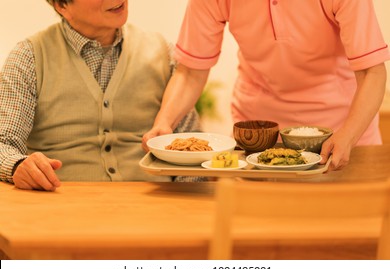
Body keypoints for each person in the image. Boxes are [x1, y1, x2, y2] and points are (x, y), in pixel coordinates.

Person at [143, 0, 390, 171]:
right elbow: (190, 72)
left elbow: (371, 72)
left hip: (342, 135)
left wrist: (348, 135)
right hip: (257, 140)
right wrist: (164, 123)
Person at [0, 0, 202, 191]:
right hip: (62, 208)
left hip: (156, 209)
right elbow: (4, 143)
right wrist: (18, 165)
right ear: (62, 5)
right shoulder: (30, 56)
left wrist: (187, 202)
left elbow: (192, 148)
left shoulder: (161, 52)